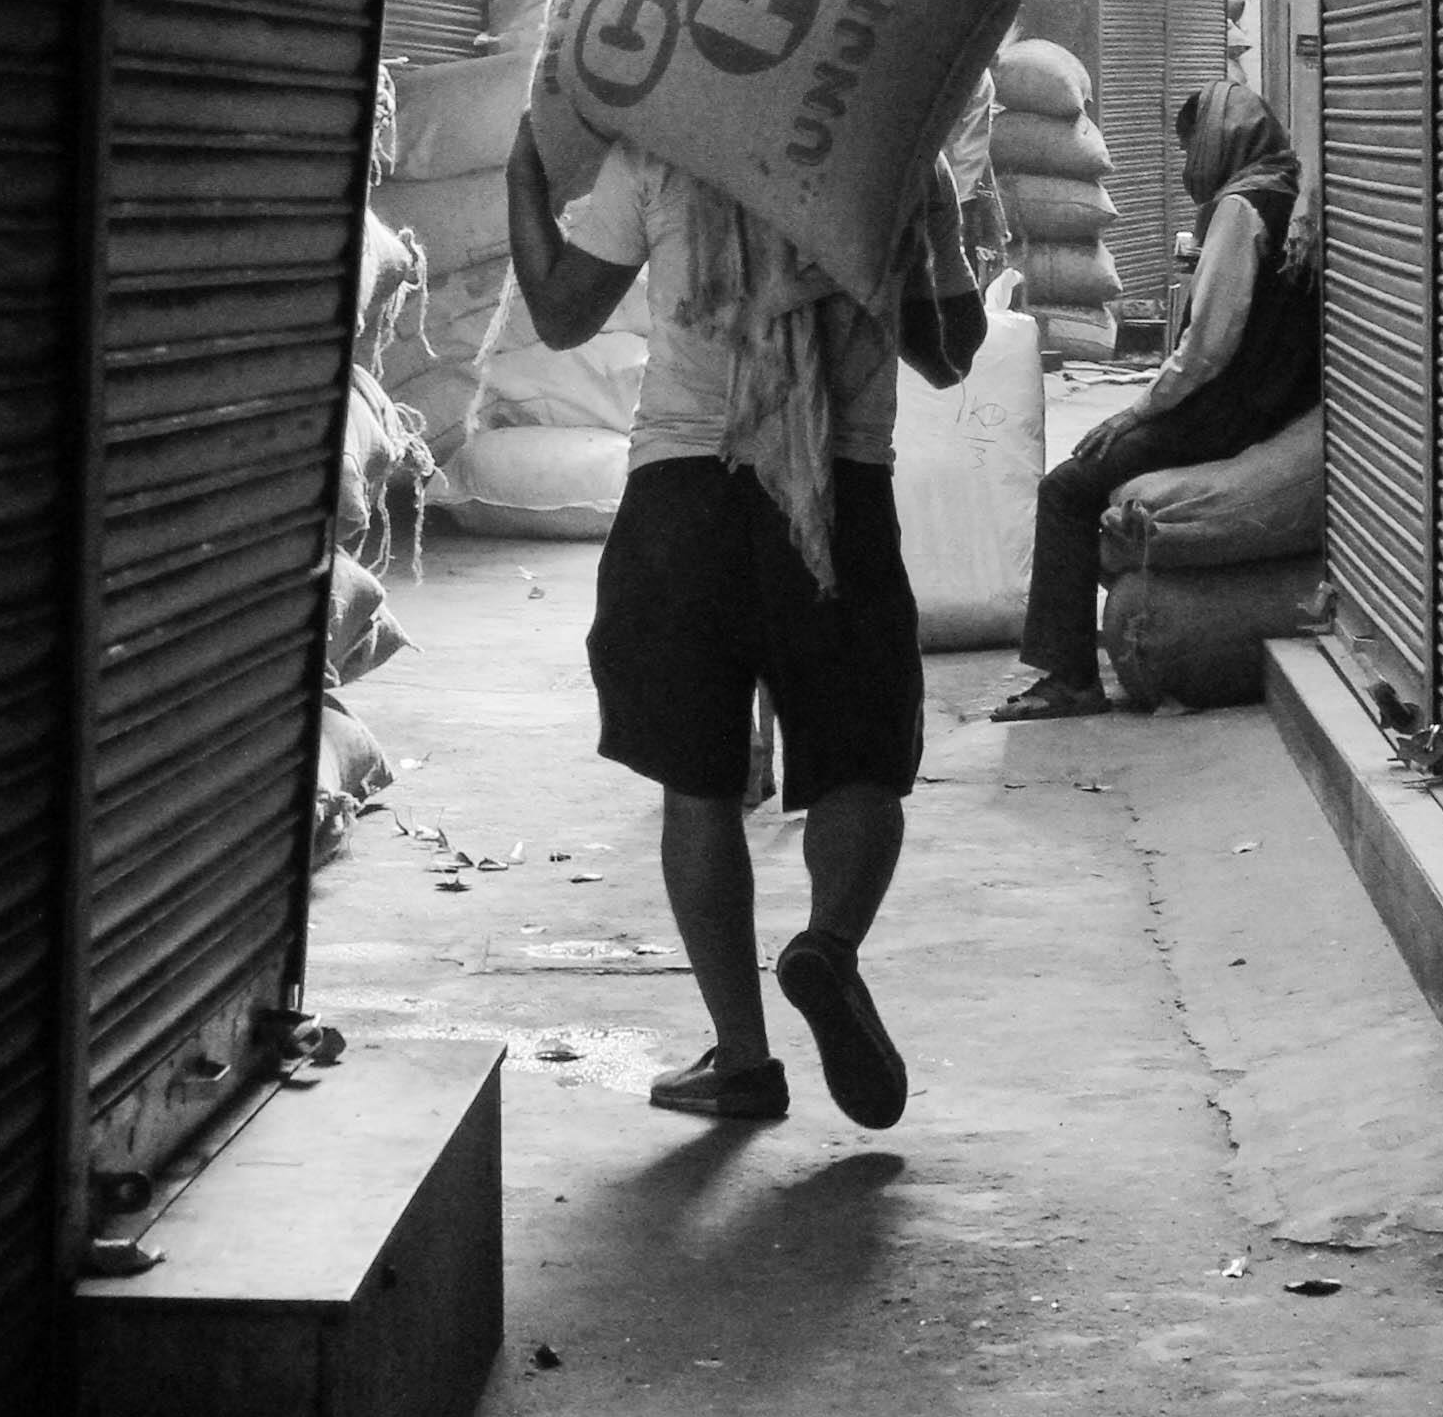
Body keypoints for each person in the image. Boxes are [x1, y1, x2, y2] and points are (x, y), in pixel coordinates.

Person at [505, 114, 983, 1127]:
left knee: (700, 776)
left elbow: (558, 314)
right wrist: (930, 224)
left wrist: (524, 169)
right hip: (841, 487)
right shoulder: (894, 150)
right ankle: (828, 947)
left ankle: (744, 1058)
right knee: (858, 759)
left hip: (686, 489)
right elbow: (950, 354)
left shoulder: (665, 147)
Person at [990, 77, 1322, 721]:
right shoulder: (1292, 193)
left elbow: (1207, 348)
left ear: (1218, 142)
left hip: (1225, 413)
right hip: (1277, 404)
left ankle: (1068, 677)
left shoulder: (1241, 208)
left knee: (1066, 489)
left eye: (1189, 148)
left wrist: (1137, 410)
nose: (1186, 166)